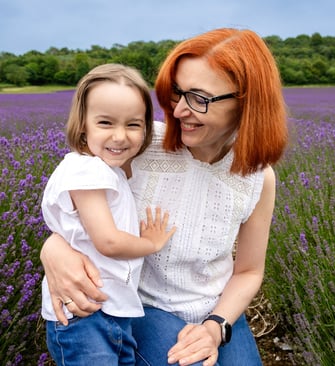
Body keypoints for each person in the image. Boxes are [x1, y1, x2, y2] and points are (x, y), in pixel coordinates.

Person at [40, 28, 288, 366]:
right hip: (142, 307)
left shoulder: (258, 176)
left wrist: (216, 327)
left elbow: (248, 270)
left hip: (219, 309)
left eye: (199, 98)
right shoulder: (139, 144)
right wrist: (53, 247)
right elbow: (74, 191)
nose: (179, 110)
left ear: (247, 101)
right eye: (176, 92)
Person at [41, 63, 176, 366]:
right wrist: (151, 244)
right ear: (83, 126)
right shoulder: (87, 170)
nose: (120, 136)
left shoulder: (108, 171)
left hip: (111, 310)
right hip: (85, 317)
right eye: (105, 123)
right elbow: (108, 242)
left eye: (133, 124)